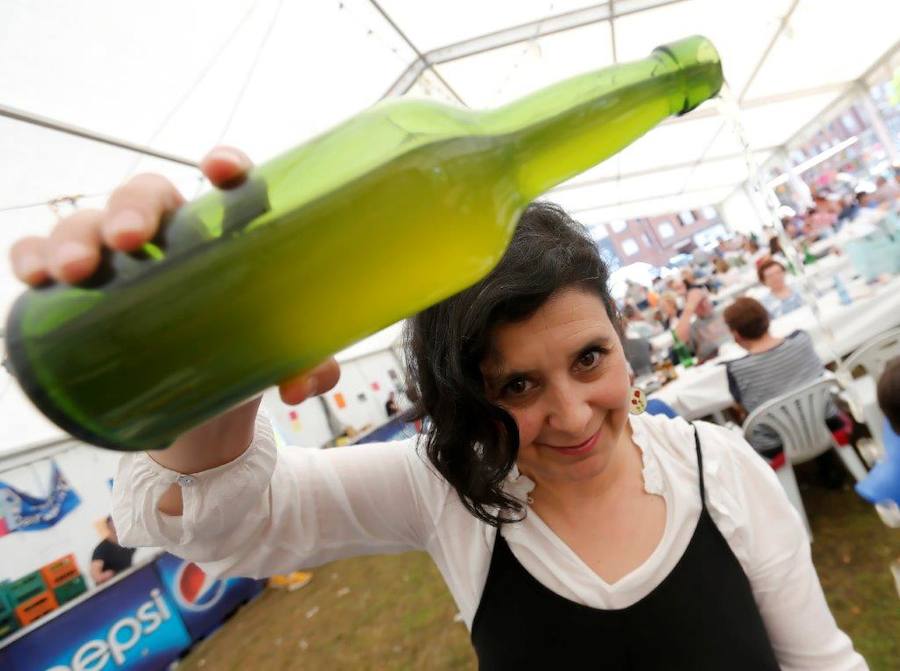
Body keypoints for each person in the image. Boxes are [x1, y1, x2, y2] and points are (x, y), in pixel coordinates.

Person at [10, 148, 867, 669]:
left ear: (620, 335)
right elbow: (227, 521)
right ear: (464, 396)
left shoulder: (719, 468)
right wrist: (210, 368)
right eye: (516, 386)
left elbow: (822, 662)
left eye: (589, 358)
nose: (571, 415)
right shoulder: (448, 487)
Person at [722, 298, 832, 458]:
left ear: (736, 334)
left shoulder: (736, 369)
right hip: (825, 422)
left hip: (774, 447)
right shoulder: (802, 339)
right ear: (767, 318)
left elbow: (741, 407)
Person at [673, 288, 732, 363]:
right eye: (698, 303)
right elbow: (679, 341)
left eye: (704, 299)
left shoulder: (724, 312)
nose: (704, 305)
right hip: (713, 363)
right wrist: (689, 307)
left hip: (736, 354)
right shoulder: (693, 327)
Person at [90, 516, 135, 585]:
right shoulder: (102, 548)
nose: (116, 525)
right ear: (108, 526)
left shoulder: (127, 542)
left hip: (128, 580)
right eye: (113, 522)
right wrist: (104, 576)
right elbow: (96, 575)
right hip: (111, 587)